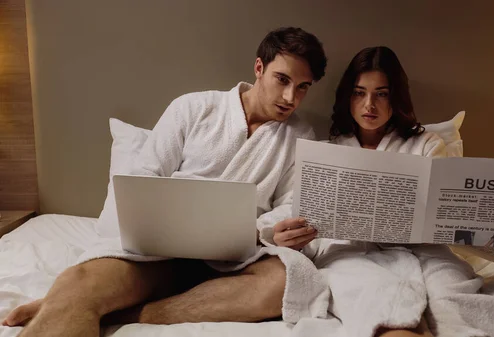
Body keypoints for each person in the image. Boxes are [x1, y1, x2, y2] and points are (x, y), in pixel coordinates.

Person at [2, 27, 327, 337]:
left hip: (239, 262)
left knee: (286, 283)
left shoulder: (300, 136)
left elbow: (289, 204)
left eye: (303, 87)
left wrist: (270, 229)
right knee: (80, 280)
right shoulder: (194, 108)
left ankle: (119, 312)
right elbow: (146, 176)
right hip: (158, 255)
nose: (290, 97)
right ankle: (78, 301)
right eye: (282, 80)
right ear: (259, 67)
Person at [282, 46, 494, 337]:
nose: (369, 104)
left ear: (396, 97)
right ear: (348, 97)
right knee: (378, 300)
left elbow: (445, 209)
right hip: (356, 254)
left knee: (455, 300)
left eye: (381, 94)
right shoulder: (329, 152)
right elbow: (297, 211)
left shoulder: (427, 144)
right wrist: (290, 235)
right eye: (359, 93)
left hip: (427, 252)